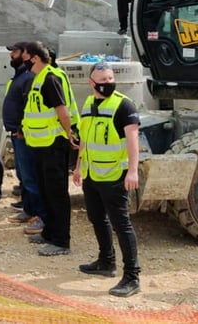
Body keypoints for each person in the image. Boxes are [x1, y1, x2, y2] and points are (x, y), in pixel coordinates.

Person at [74, 62, 143, 297]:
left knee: (121, 224)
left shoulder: (123, 105)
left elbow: (133, 140)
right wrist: (77, 167)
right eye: (102, 81)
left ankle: (132, 277)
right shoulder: (88, 103)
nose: (107, 84)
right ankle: (106, 261)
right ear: (91, 82)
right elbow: (84, 138)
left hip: (115, 175)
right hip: (92, 174)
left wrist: (133, 171)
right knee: (96, 217)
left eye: (110, 79)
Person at [23, 41, 77, 257]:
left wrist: (69, 134)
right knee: (46, 192)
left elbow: (62, 112)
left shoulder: (50, 78)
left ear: (35, 58)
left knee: (57, 194)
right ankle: (49, 233)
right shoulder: (39, 78)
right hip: (41, 145)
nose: (23, 61)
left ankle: (61, 241)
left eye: (26, 57)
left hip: (54, 144)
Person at [2, 42, 46, 233]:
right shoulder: (19, 77)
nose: (11, 55)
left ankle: (40, 215)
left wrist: (21, 127)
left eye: (15, 52)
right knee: (23, 175)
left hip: (24, 135)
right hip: (17, 134)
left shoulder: (28, 77)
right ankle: (28, 209)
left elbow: (28, 106)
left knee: (30, 176)